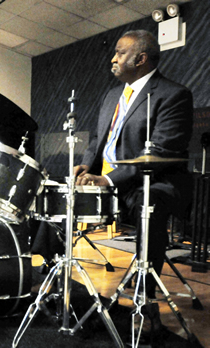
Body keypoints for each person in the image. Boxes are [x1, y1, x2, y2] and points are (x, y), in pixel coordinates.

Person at [73, 30, 193, 344]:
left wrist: (109, 179)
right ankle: (54, 282)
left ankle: (145, 298)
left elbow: (163, 152)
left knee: (148, 205)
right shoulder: (112, 95)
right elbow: (99, 140)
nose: (112, 59)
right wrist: (88, 165)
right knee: (60, 194)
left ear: (140, 59)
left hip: (154, 183)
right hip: (109, 181)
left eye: (119, 53)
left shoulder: (174, 94)